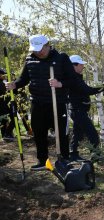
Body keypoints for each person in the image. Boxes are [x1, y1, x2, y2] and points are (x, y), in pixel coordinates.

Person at [6, 34, 79, 171]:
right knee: (39, 132)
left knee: (61, 133)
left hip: (58, 102)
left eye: (41, 49)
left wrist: (60, 83)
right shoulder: (30, 60)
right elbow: (23, 79)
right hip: (37, 102)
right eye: (35, 49)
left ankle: (64, 159)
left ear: (48, 45)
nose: (38, 52)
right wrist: (14, 85)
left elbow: (74, 80)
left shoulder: (62, 58)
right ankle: (43, 161)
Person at [68, 55, 104, 162]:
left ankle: (73, 154)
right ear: (74, 65)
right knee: (92, 133)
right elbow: (88, 90)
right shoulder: (74, 78)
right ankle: (96, 156)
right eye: (81, 65)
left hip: (78, 110)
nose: (83, 67)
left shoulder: (76, 77)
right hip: (78, 111)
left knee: (77, 133)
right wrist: (103, 87)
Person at [0, 68, 15, 142]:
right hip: (4, 106)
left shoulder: (3, 83)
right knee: (13, 119)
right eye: (3, 74)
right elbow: (7, 95)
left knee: (4, 120)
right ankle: (6, 134)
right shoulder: (2, 84)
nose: (4, 76)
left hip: (4, 106)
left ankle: (5, 135)